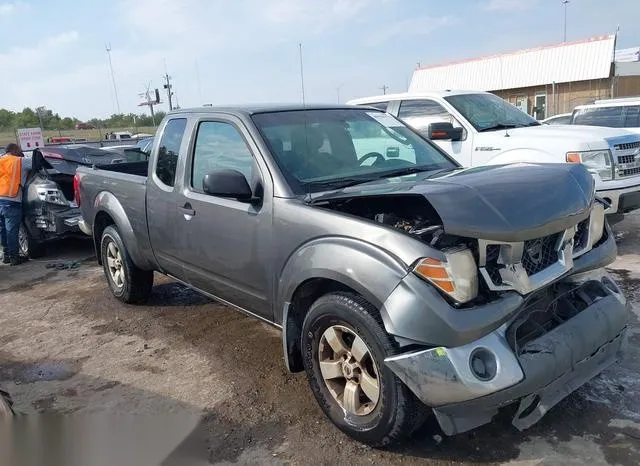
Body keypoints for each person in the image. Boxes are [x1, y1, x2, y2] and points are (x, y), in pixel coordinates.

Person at [0, 143, 32, 266]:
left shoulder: (1, 160)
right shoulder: (20, 161)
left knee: (3, 230)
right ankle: (14, 257)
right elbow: (37, 163)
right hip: (11, 200)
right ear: (15, 150)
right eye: (20, 150)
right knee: (11, 230)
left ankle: (6, 255)